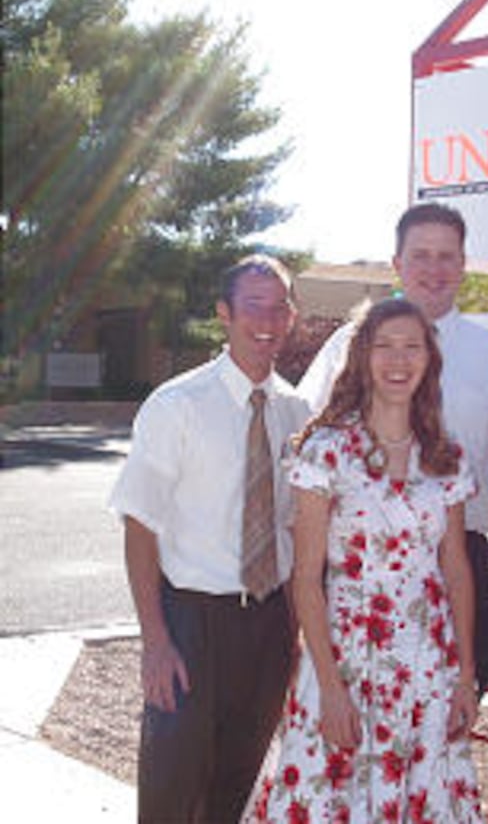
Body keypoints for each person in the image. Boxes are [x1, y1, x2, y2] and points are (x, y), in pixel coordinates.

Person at [246, 297, 482, 822]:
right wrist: (329, 687)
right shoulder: (326, 450)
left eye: (412, 347)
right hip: (346, 656)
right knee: (331, 798)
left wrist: (465, 673)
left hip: (427, 659)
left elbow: (458, 568)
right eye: (385, 346)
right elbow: (306, 579)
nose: (399, 361)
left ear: (429, 359)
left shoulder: (446, 455)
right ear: (363, 358)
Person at [109, 254, 310, 823]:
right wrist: (155, 639)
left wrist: (293, 633)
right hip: (191, 621)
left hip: (269, 624)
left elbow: (294, 535)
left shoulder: (299, 412)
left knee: (236, 787)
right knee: (173, 784)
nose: (266, 319)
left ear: (291, 316)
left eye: (278, 307)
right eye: (253, 306)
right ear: (225, 313)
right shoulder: (177, 406)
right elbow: (139, 525)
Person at [298, 202, 488, 691]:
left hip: (460, 562)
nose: (434, 269)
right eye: (420, 255)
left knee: (441, 722)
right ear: (397, 263)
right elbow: (302, 441)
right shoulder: (347, 346)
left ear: (464, 266)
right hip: (354, 571)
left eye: (447, 256)